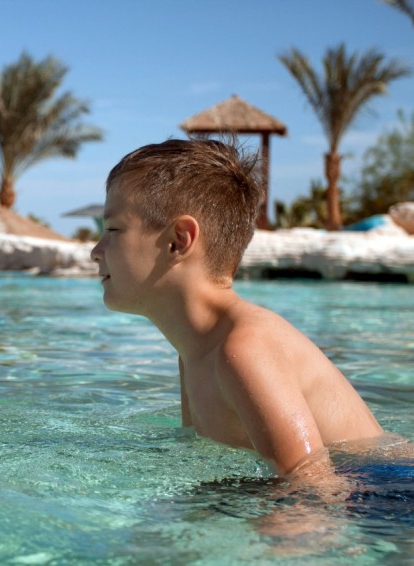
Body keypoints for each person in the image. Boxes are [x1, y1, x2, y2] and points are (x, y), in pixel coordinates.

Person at [90, 138, 387, 477]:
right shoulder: (194, 349)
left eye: (113, 229)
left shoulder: (244, 350)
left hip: (387, 491)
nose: (95, 251)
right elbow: (201, 458)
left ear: (179, 240)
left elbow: (311, 490)